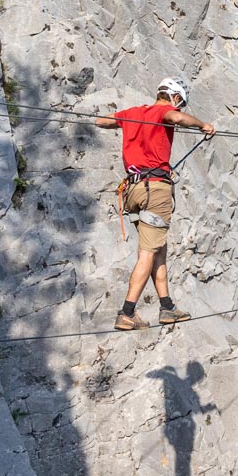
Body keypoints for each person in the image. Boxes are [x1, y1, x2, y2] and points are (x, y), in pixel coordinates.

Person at [95, 77, 214, 330]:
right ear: (175, 97)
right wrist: (203, 125)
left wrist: (125, 124)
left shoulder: (134, 113)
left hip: (133, 190)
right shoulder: (165, 111)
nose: (179, 108)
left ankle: (167, 307)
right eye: (179, 103)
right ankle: (127, 312)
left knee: (158, 249)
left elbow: (101, 121)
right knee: (148, 253)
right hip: (155, 189)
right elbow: (177, 119)